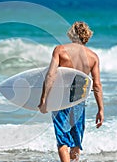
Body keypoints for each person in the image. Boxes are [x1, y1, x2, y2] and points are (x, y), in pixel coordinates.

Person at [38, 21, 104, 162]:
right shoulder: (93, 57)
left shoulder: (60, 50)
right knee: (76, 140)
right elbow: (97, 85)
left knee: (63, 139)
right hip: (79, 100)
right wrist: (101, 109)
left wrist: (43, 99)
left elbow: (50, 76)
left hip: (61, 100)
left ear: (72, 34)